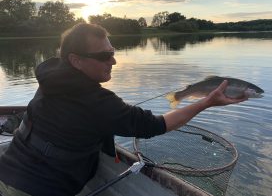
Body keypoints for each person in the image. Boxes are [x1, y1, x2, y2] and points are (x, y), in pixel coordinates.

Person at [0, 23, 247, 196]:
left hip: (7, 172)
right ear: (76, 60)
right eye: (105, 56)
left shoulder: (53, 76)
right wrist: (205, 102)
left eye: (113, 52)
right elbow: (156, 125)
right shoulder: (97, 102)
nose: (114, 61)